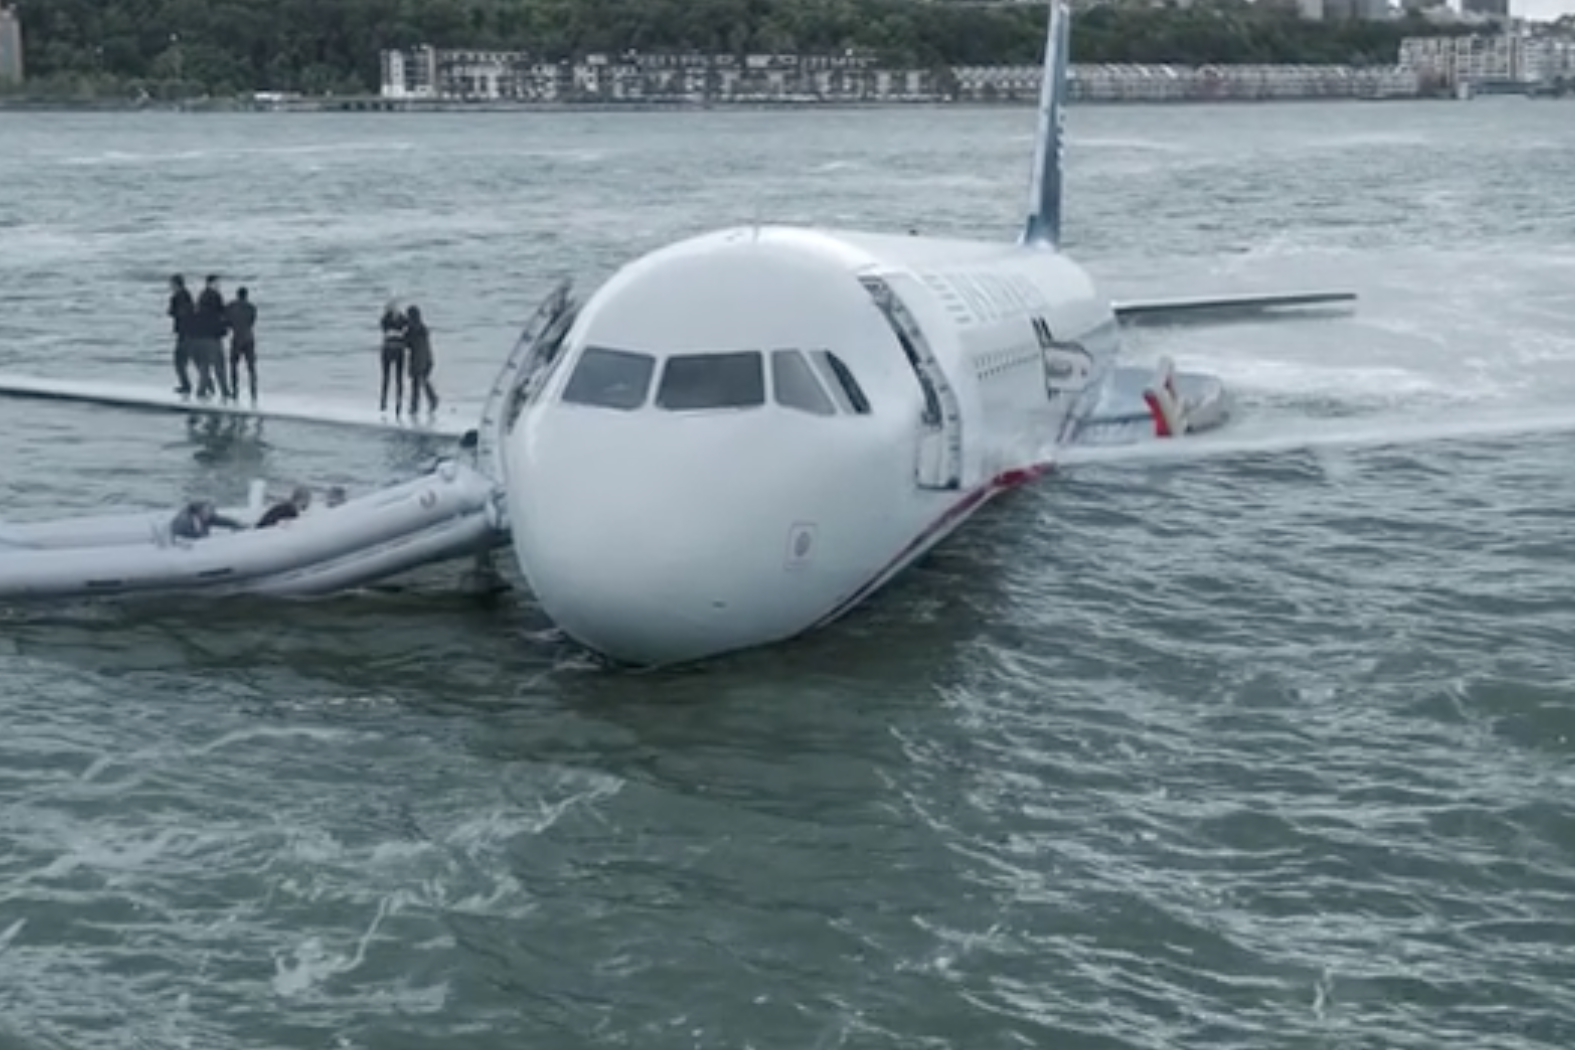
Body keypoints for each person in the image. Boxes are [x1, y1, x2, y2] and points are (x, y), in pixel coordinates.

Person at [193, 274, 232, 400]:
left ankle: (201, 391)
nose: (219, 286)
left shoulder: (201, 297)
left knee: (205, 365)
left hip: (201, 336)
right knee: (219, 364)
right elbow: (221, 313)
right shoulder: (215, 296)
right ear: (211, 283)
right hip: (213, 336)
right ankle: (224, 391)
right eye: (217, 283)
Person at [404, 303, 439, 417]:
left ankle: (416, 406)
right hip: (427, 360)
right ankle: (432, 400)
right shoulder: (421, 329)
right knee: (423, 382)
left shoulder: (414, 330)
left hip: (419, 361)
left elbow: (408, 344)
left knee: (417, 385)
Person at [226, 286, 258, 402]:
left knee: (233, 365)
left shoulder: (230, 306)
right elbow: (252, 321)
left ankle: (235, 390)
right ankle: (254, 391)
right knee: (251, 366)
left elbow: (227, 322)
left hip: (236, 338)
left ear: (237, 295)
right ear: (247, 295)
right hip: (249, 337)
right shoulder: (252, 307)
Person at [167, 274, 195, 396]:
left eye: (171, 284)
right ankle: (206, 385)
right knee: (194, 359)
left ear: (176, 284)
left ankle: (186, 385)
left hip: (184, 333)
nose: (170, 286)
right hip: (189, 332)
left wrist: (172, 311)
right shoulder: (187, 295)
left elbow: (177, 313)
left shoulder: (178, 296)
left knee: (179, 361)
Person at [169, 500, 245, 541]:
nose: (210, 515)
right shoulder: (184, 520)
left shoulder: (205, 516)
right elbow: (187, 535)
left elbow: (222, 521)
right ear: (199, 511)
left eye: (211, 512)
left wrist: (236, 524)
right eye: (208, 512)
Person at [379, 300, 407, 414]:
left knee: (393, 378)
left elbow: (387, 331)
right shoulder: (388, 319)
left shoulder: (387, 319)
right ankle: (387, 401)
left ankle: (389, 401)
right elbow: (402, 329)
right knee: (391, 377)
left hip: (391, 349)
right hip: (395, 349)